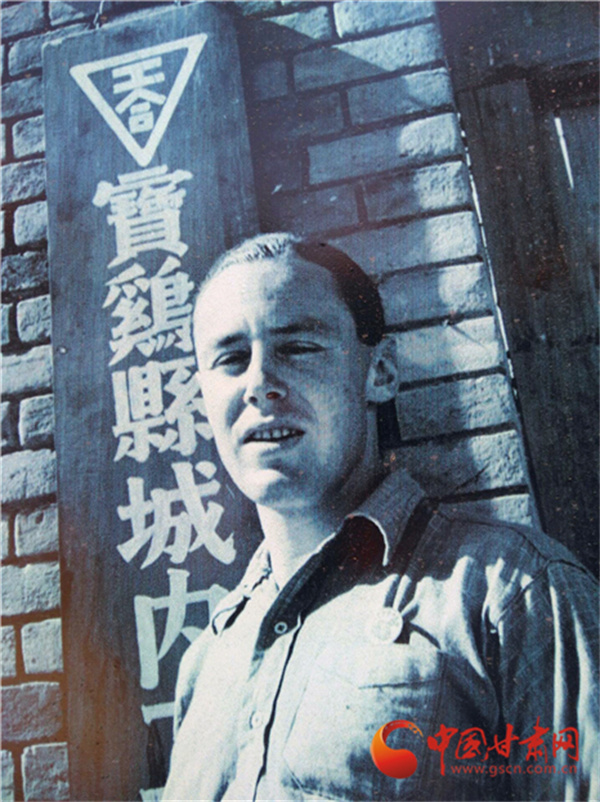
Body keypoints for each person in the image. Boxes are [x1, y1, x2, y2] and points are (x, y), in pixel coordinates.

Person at [162, 232, 598, 801]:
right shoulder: (206, 660)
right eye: (231, 359)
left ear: (382, 371)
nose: (259, 384)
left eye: (298, 347)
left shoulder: (509, 592)